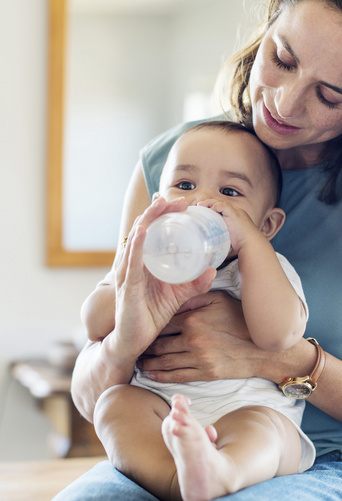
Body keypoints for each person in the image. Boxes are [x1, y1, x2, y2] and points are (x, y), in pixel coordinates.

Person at [53, 1, 342, 500]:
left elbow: (277, 333)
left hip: (306, 453)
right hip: (169, 436)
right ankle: (187, 479)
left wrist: (278, 360)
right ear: (267, 27)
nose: (285, 103)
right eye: (284, 59)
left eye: (330, 95)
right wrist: (123, 341)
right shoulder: (174, 157)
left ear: (270, 223)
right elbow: (91, 390)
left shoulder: (269, 256)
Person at [93, 120, 315, 501]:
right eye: (184, 185)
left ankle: (222, 472)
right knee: (114, 404)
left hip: (248, 411)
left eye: (229, 191)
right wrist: (131, 277)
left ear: (267, 224)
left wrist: (251, 247)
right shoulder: (145, 264)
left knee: (266, 427)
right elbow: (94, 323)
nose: (201, 202)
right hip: (162, 411)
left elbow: (277, 336)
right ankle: (176, 480)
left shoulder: (264, 269)